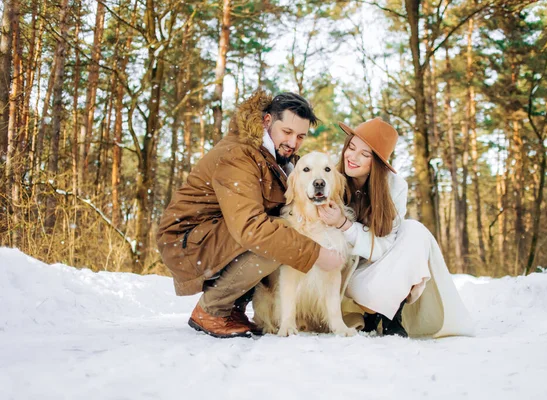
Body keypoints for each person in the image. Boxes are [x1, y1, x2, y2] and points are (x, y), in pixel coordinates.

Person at [157, 90, 345, 338]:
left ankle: (233, 308)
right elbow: (250, 228)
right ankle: (211, 309)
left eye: (300, 136)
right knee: (280, 235)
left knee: (281, 231)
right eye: (286, 132)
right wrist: (315, 252)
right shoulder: (239, 155)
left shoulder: (277, 159)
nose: (293, 142)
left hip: (215, 235)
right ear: (267, 121)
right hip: (188, 240)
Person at [318, 118, 475, 338]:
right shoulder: (331, 178)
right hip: (347, 274)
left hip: (383, 267)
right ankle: (369, 311)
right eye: (351, 148)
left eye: (365, 154)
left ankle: (393, 313)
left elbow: (384, 246)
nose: (352, 157)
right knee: (367, 289)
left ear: (377, 163)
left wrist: (344, 225)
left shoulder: (394, 187)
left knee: (416, 230)